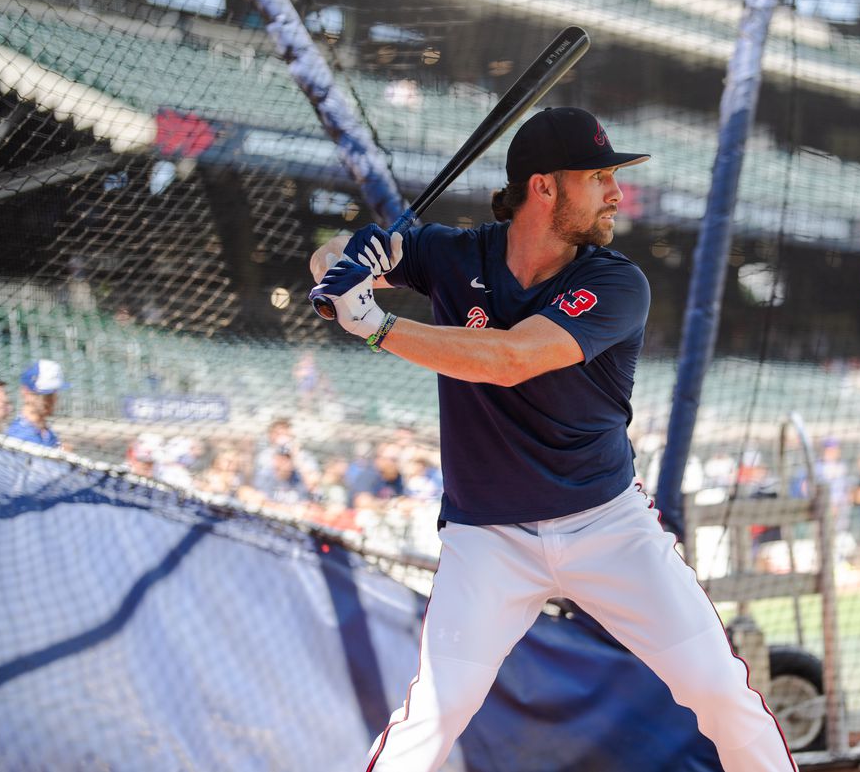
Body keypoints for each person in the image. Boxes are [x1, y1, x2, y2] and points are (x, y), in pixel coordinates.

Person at [312, 106, 795, 772]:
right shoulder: (454, 255)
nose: (616, 193)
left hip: (607, 523)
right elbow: (326, 261)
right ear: (544, 188)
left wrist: (375, 324)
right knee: (434, 712)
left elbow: (510, 358)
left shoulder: (614, 280)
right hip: (488, 534)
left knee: (717, 686)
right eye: (599, 176)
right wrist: (349, 257)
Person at [6, 359, 67, 449]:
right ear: (26, 392)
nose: (51, 400)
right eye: (45, 394)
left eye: (53, 394)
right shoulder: (19, 435)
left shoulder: (47, 431)